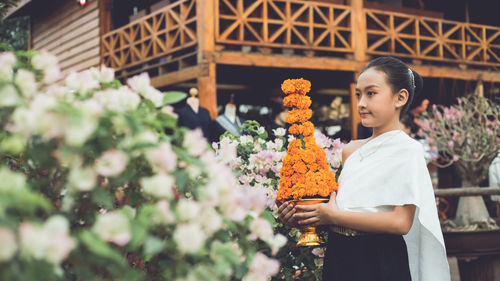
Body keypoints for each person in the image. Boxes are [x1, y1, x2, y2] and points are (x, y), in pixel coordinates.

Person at [277, 57, 450, 281]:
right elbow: (341, 210)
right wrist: (300, 216)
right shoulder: (351, 151)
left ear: (400, 97)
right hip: (340, 255)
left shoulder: (408, 150)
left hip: (379, 259)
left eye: (371, 93)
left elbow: (400, 222)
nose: (361, 103)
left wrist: (333, 216)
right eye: (359, 94)